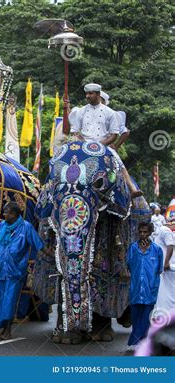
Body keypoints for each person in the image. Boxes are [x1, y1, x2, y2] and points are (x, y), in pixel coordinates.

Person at [70, 83, 143, 198]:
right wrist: (83, 143)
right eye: (86, 93)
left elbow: (114, 135)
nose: (87, 96)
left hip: (103, 145)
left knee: (118, 162)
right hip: (83, 145)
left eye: (90, 93)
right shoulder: (80, 111)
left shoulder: (110, 113)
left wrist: (98, 145)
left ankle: (132, 189)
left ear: (98, 94)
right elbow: (74, 131)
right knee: (63, 158)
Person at [0, 201, 44, 340]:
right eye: (4, 212)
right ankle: (2, 329)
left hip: (15, 271)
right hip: (0, 270)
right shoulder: (2, 226)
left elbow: (38, 244)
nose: (4, 214)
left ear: (14, 214)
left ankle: (8, 331)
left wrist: (50, 255)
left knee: (9, 302)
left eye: (7, 212)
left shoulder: (26, 227)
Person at [126, 222, 164, 352]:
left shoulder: (157, 250)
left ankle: (143, 342)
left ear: (150, 232)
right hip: (135, 288)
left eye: (145, 232)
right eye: (141, 232)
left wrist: (151, 283)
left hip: (150, 289)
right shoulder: (132, 248)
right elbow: (128, 266)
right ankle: (136, 340)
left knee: (147, 317)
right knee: (136, 315)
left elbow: (159, 270)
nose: (142, 234)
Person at [153, 222, 175, 312]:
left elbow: (170, 245)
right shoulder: (160, 231)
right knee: (164, 291)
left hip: (167, 268)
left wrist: (166, 263)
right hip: (163, 268)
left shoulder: (164, 230)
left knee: (167, 291)